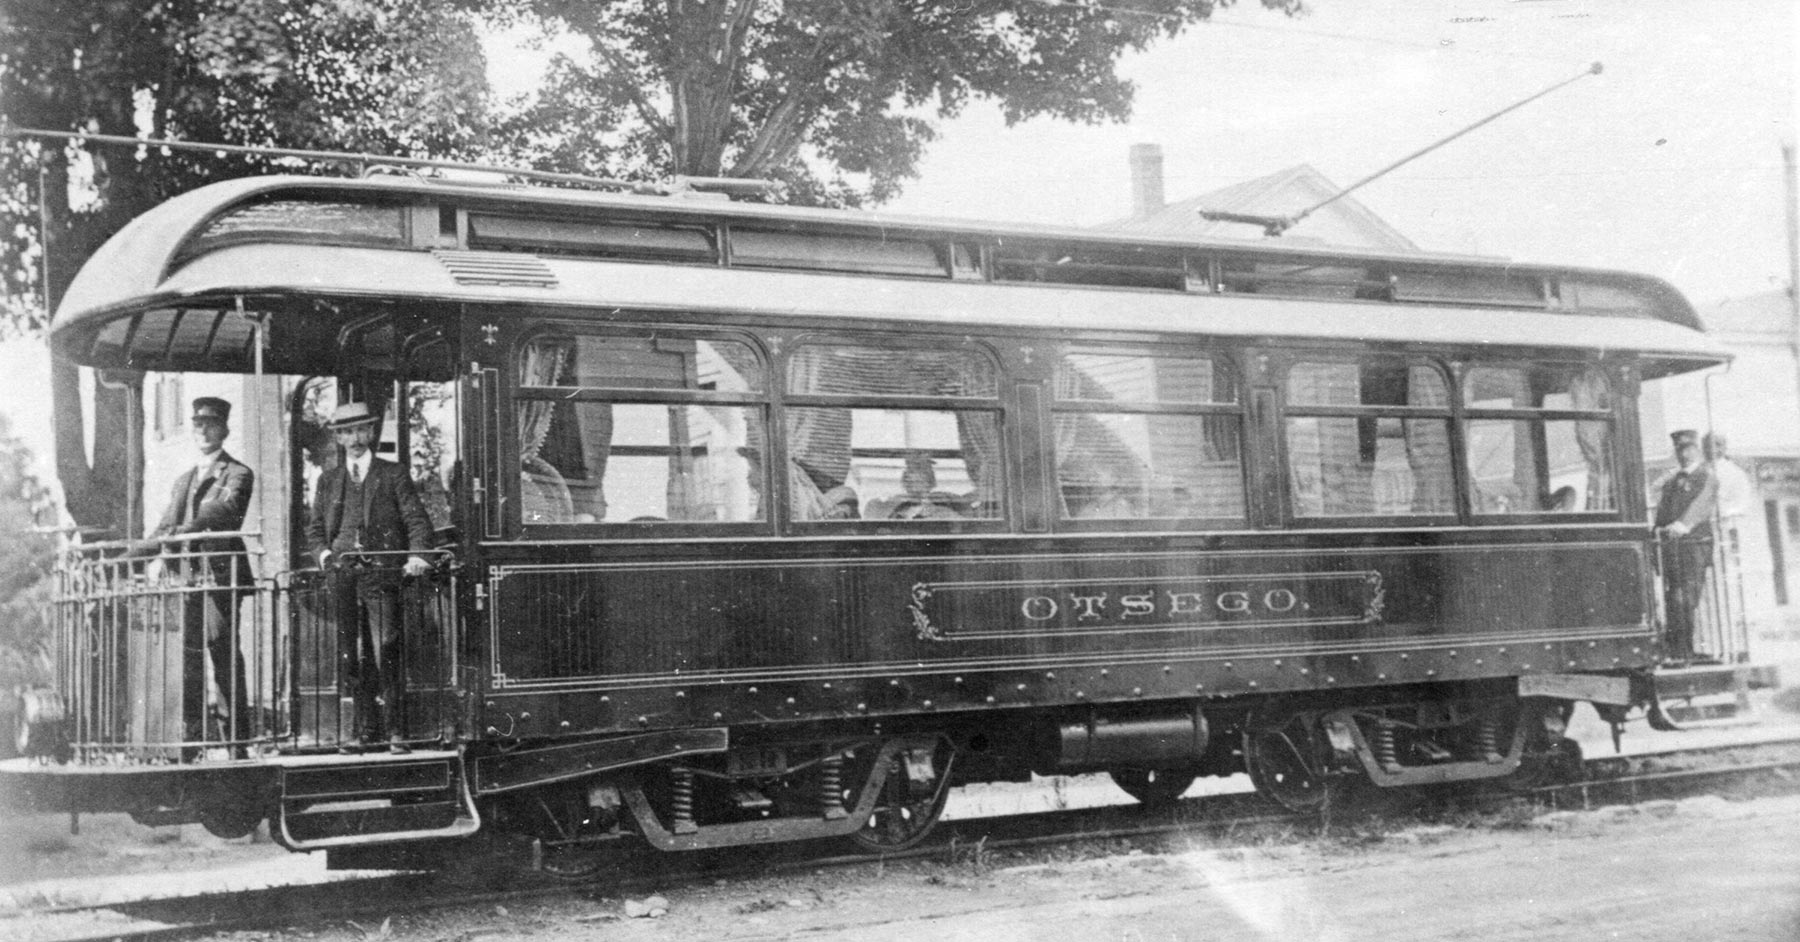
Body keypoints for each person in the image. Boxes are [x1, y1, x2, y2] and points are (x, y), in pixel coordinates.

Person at [306, 402, 433, 753]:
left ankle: (395, 731)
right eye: (347, 432)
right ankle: (361, 731)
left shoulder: (393, 474)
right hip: (344, 576)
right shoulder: (329, 480)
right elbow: (315, 530)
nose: (355, 438)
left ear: (372, 432)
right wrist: (326, 556)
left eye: (361, 430)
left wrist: (418, 555)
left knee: (387, 647)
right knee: (351, 654)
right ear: (338, 437)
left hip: (381, 577)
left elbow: (417, 521)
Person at [134, 397, 256, 755]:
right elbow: (162, 529)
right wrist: (130, 558)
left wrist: (183, 530)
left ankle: (236, 741)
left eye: (211, 424)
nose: (203, 430)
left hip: (220, 579)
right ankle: (189, 742)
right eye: (197, 424)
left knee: (223, 655)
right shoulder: (184, 479)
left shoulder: (237, 473)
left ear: (224, 430)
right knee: (185, 659)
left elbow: (225, 511)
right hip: (184, 580)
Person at [1653, 429, 1718, 663]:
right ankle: (1679, 649)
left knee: (1688, 597)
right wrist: (1657, 531)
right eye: (1680, 450)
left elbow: (1703, 503)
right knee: (1674, 597)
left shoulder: (1705, 475)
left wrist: (1683, 524)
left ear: (1697, 449)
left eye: (1689, 449)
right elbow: (1663, 511)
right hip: (1673, 548)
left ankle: (1687, 649)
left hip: (1694, 545)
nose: (1684, 454)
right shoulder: (1673, 482)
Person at [1705, 432, 1752, 551]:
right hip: (1703, 529)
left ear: (1725, 448)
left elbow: (1742, 503)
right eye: (1708, 445)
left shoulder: (1735, 473)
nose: (1712, 449)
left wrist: (1724, 512)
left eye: (1717, 445)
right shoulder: (1697, 472)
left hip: (1728, 525)